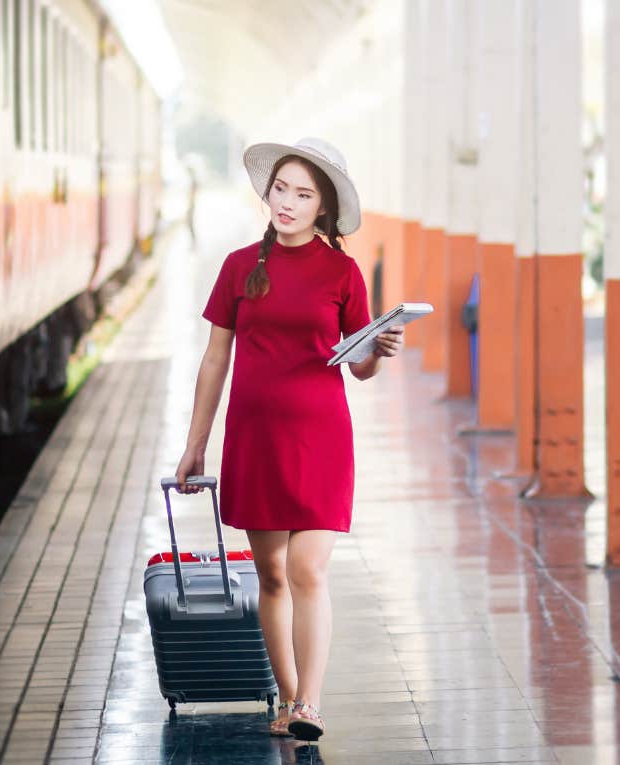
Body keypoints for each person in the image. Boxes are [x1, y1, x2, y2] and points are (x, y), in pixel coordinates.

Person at [173, 137, 404, 741]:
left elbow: (358, 366)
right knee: (271, 574)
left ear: (323, 207)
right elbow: (214, 359)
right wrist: (196, 443)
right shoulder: (237, 265)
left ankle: (310, 703)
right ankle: (286, 699)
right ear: (268, 192)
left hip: (322, 438)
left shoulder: (342, 272)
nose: (288, 203)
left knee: (307, 567)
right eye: (282, 189)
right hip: (254, 438)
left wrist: (377, 352)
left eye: (304, 194)